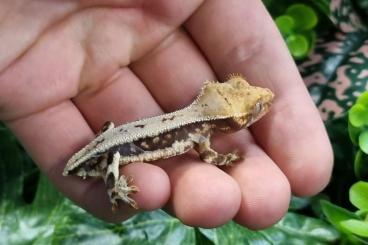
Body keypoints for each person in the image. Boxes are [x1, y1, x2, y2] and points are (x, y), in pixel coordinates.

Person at [0, 0, 332, 229]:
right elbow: (208, 158)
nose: (263, 103)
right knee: (114, 160)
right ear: (232, 123)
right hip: (105, 154)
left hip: (114, 137)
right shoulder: (200, 133)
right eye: (253, 110)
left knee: (118, 147)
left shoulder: (200, 126)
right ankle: (114, 188)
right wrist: (225, 158)